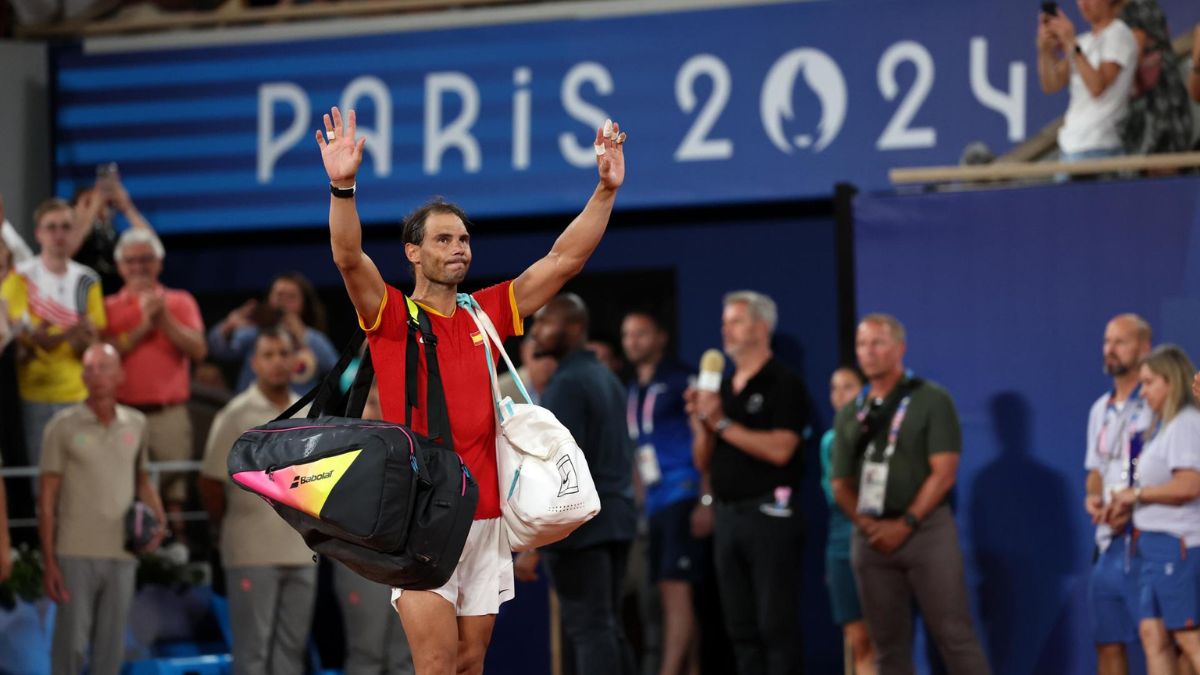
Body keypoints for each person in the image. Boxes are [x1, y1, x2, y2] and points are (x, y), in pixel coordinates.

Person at [315, 105, 625, 675]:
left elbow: (563, 260)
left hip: (485, 518)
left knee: (468, 663)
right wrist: (342, 187)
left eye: (463, 238)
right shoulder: (388, 315)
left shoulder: (486, 313)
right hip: (418, 520)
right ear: (413, 252)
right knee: (434, 665)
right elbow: (346, 256)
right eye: (442, 239)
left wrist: (604, 192)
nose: (459, 248)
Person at [830, 314, 990, 675]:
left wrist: (906, 523)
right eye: (861, 344)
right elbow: (840, 483)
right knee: (887, 648)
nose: (868, 352)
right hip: (871, 539)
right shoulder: (850, 413)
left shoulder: (931, 399)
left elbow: (944, 472)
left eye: (878, 343)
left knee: (955, 636)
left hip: (926, 532)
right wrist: (870, 527)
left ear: (900, 348)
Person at [686, 290, 810, 675]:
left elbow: (781, 450)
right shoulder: (720, 388)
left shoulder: (784, 383)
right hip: (727, 517)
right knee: (739, 629)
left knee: (775, 626)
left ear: (761, 328)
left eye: (735, 321)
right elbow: (703, 460)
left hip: (769, 514)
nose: (725, 329)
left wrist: (722, 423)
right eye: (724, 322)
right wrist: (702, 423)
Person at [514, 294, 638, 675]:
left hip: (582, 529)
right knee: (607, 627)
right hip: (617, 518)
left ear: (574, 328)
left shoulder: (565, 384)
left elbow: (561, 470)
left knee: (589, 631)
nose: (535, 334)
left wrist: (536, 542)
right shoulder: (606, 376)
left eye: (545, 323)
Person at [38, 343, 166, 675]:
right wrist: (50, 561)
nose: (96, 375)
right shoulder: (61, 426)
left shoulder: (136, 423)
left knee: (111, 649)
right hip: (74, 552)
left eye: (104, 367)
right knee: (71, 646)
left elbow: (142, 481)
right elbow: (46, 500)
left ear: (121, 374)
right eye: (90, 369)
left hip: (122, 552)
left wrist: (160, 520)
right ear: (81, 376)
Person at [199, 328, 318, 675]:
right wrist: (229, 526)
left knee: (291, 653)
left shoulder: (308, 411)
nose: (278, 362)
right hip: (250, 551)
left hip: (301, 550)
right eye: (269, 355)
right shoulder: (235, 414)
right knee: (252, 654)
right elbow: (210, 483)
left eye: (283, 353)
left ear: (295, 361)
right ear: (253, 363)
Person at [104, 228, 206, 546]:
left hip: (169, 414)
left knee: (174, 497)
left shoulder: (180, 301)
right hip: (121, 414)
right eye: (131, 260)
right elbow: (102, 355)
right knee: (123, 490)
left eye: (146, 259)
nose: (139, 267)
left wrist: (164, 320)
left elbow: (199, 351)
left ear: (159, 263)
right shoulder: (107, 306)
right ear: (119, 266)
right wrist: (143, 326)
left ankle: (178, 560)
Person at [621, 309, 709, 675]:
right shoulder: (631, 389)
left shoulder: (681, 379)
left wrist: (707, 497)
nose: (633, 342)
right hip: (653, 503)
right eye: (627, 335)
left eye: (642, 333)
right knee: (671, 594)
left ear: (660, 337)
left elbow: (706, 436)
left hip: (682, 493)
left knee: (676, 592)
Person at [1108, 345, 1200, 675]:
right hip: (1152, 546)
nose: (1142, 391)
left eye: (1148, 383)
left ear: (1171, 382)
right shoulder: (1163, 427)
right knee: (1153, 637)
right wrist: (1125, 503)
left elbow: (1190, 485)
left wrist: (1137, 494)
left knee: (1190, 640)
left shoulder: (1187, 424)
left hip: (1178, 546)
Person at [2, 198, 106, 469]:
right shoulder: (20, 276)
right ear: (38, 233)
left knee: (81, 472)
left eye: (65, 227)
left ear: (74, 232)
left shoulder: (88, 279)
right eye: (51, 227)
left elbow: (92, 342)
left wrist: (60, 337)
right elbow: (23, 338)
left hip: (79, 393)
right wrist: (70, 332)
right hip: (35, 393)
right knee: (42, 473)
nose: (58, 234)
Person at [1085, 314, 1153, 675]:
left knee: (1168, 640)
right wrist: (1092, 499)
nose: (1110, 349)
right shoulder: (1100, 409)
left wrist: (1135, 502)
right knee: (1107, 641)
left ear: (1144, 348)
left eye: (1120, 342)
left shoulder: (1161, 402)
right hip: (1108, 541)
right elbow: (1095, 471)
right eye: (1107, 341)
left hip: (1151, 539)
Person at [334, 382, 415, 675]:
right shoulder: (343, 450)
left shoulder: (413, 448)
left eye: (385, 399)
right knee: (367, 655)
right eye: (370, 400)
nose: (377, 406)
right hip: (361, 566)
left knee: (405, 658)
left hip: (406, 566)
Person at [820, 366, 875, 675]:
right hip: (841, 544)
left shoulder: (877, 436)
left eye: (848, 387)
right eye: (833, 388)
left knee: (882, 636)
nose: (839, 395)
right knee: (856, 638)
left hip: (878, 542)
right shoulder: (828, 441)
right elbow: (834, 493)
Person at [1038, 0, 1138, 163]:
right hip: (1070, 146)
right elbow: (1051, 85)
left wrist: (1070, 42)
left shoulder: (1119, 33)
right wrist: (1045, 50)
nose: (1083, 4)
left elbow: (1097, 87)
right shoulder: (1083, 41)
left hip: (1101, 146)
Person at [207, 271, 338, 395]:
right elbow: (217, 350)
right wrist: (228, 326)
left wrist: (302, 335)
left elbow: (335, 369)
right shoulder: (254, 332)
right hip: (256, 410)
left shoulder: (313, 338)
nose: (284, 302)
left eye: (291, 297)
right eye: (279, 295)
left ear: (303, 303)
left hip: (301, 413)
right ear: (269, 298)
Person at [1118, 0, 1193, 155]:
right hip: (1171, 92)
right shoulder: (1148, 5)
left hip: (1155, 103)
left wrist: (1128, 92)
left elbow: (1135, 49)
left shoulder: (1132, 10)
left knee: (1160, 161)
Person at [497, 335, 556, 404]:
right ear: (524, 351)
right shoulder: (501, 390)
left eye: (553, 353)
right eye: (539, 353)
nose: (546, 360)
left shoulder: (564, 389)